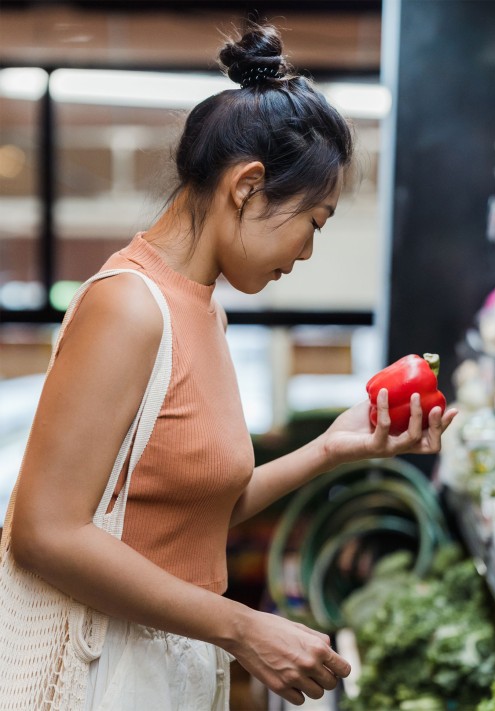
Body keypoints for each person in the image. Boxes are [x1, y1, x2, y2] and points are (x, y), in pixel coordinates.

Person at [9, 21, 457, 710]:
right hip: (103, 666)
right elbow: (44, 530)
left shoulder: (205, 308)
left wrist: (331, 450)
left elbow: (190, 511)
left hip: (174, 652)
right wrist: (243, 627)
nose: (308, 250)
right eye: (315, 219)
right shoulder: (130, 305)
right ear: (248, 187)